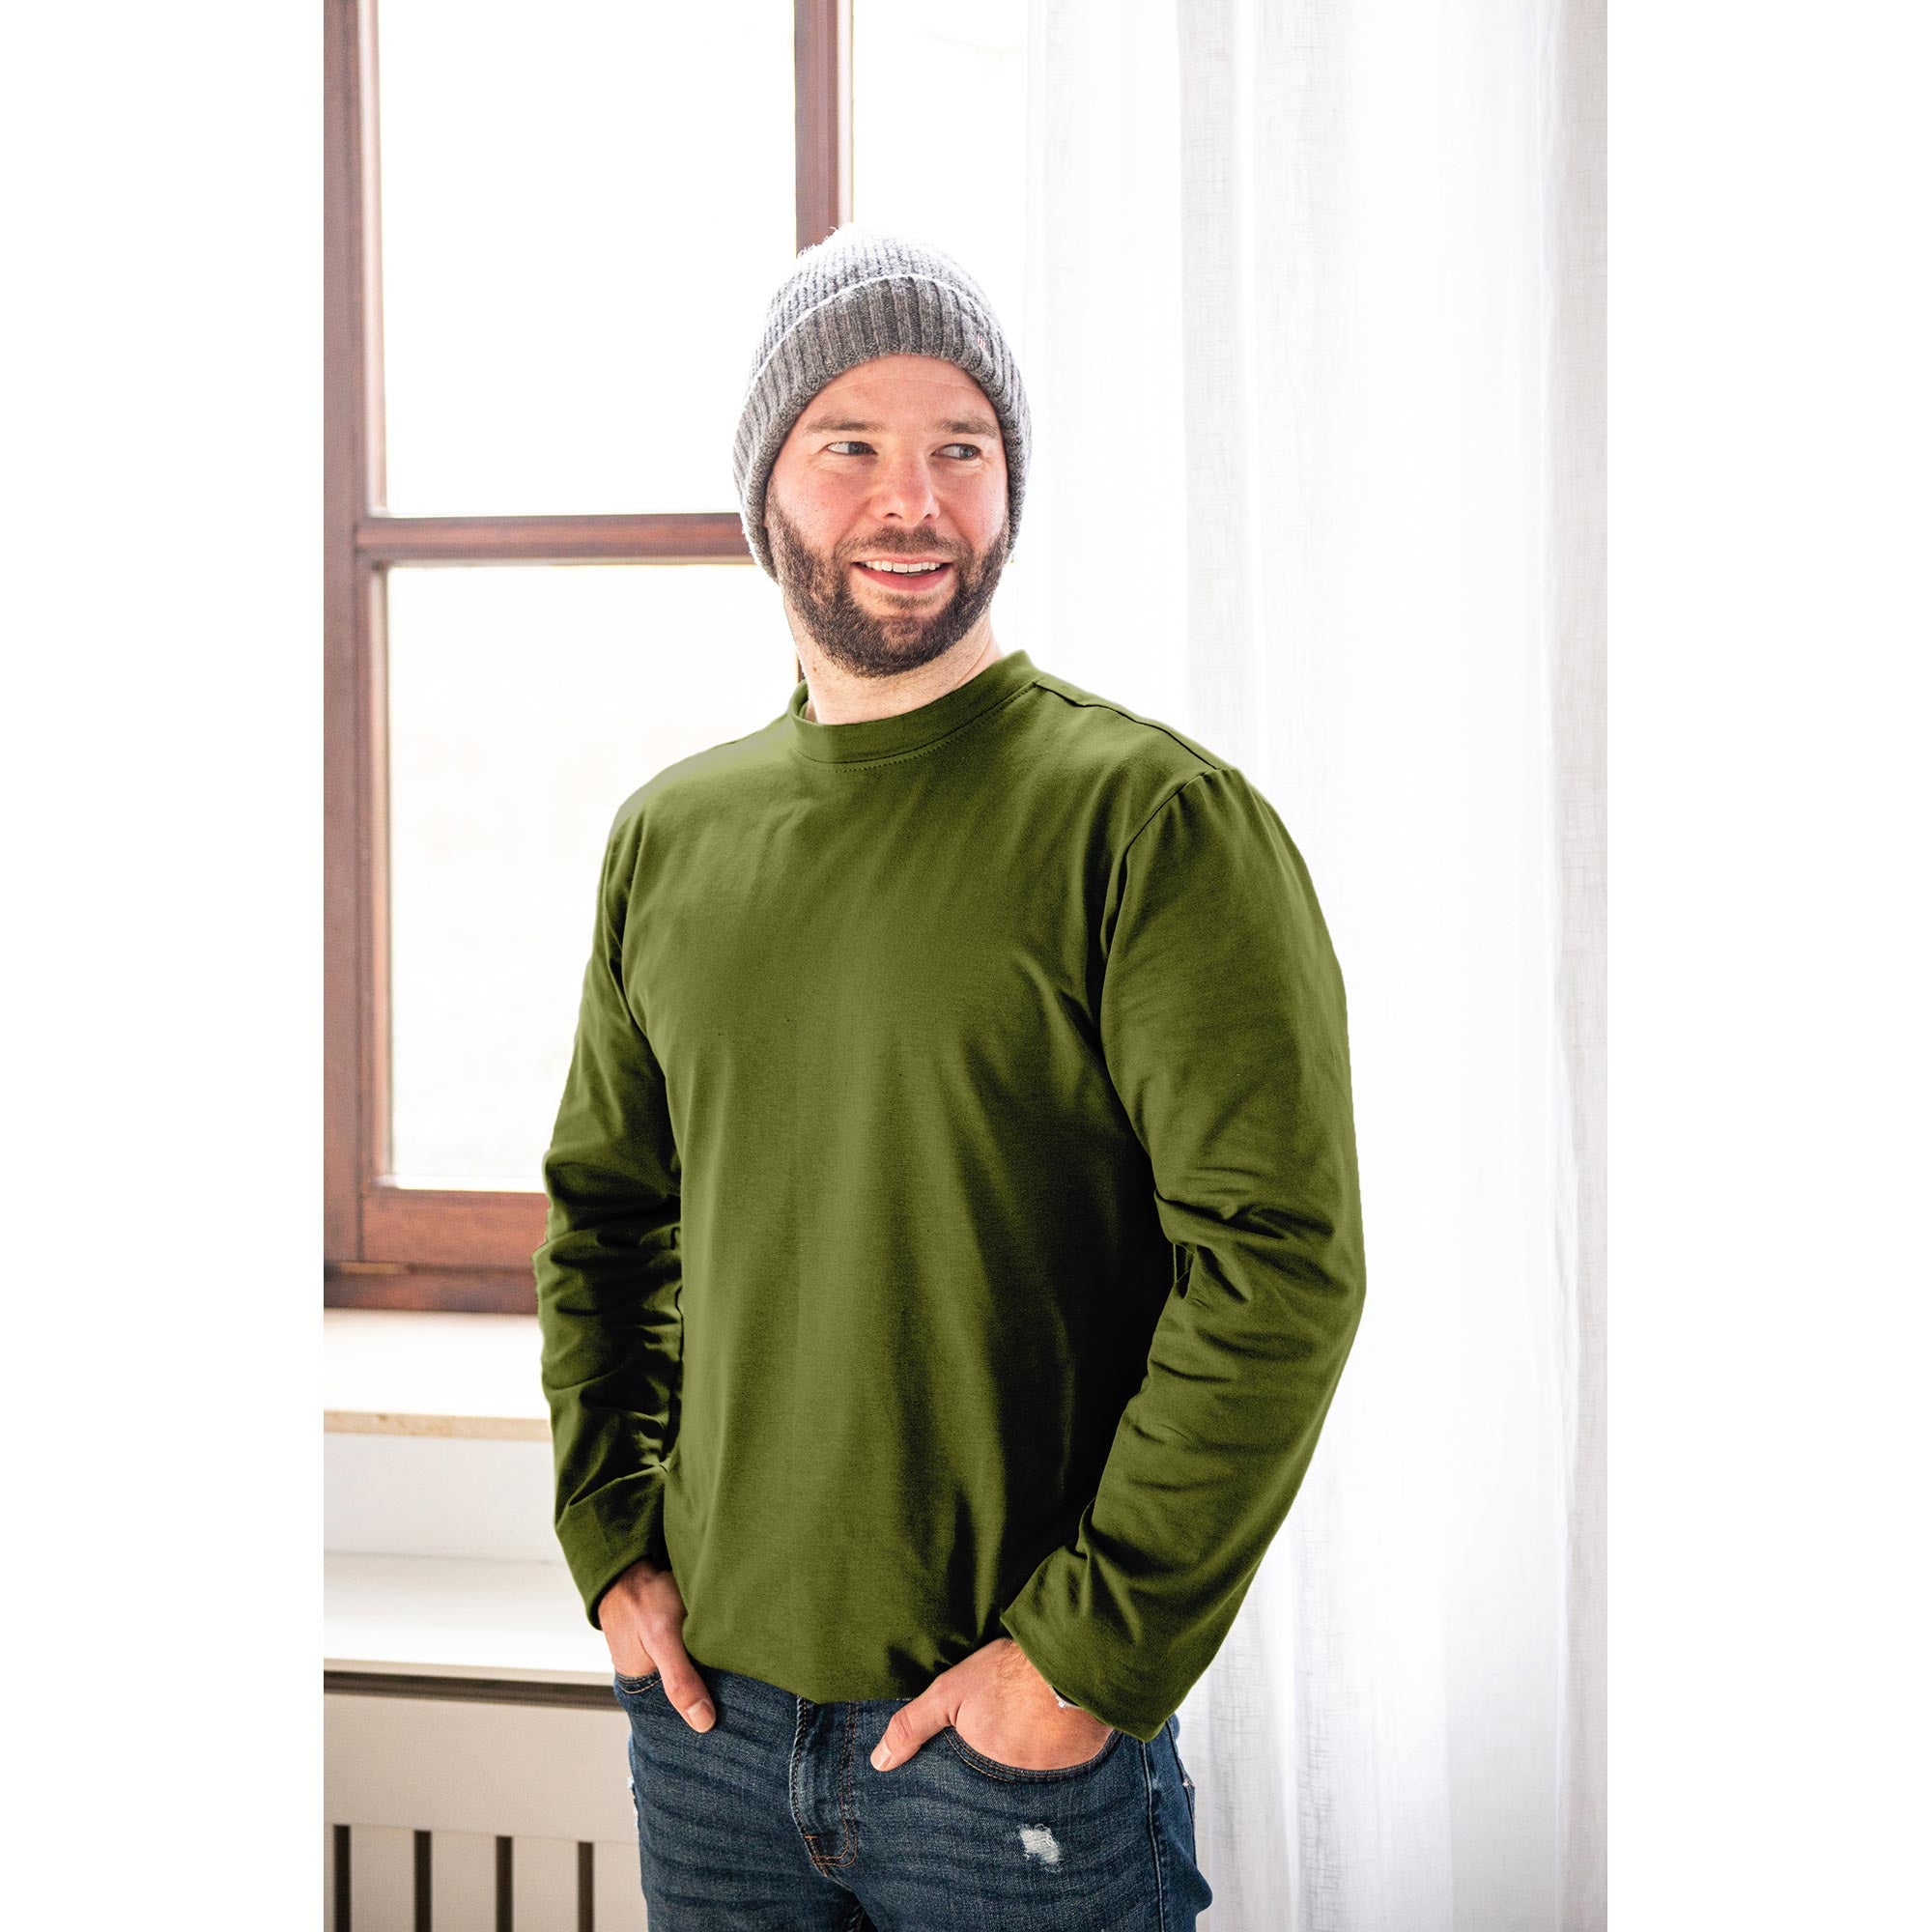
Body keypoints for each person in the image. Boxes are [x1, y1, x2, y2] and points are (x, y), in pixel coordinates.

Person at [533, 225, 1367, 1931]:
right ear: (764, 487)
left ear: (1009, 487)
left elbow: (1278, 1273)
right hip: (708, 1739)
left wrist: (1079, 1661)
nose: (912, 502)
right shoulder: (670, 840)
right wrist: (613, 1545)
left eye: (961, 449)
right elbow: (607, 1228)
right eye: (850, 443)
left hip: (1011, 1763)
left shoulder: (1155, 824)